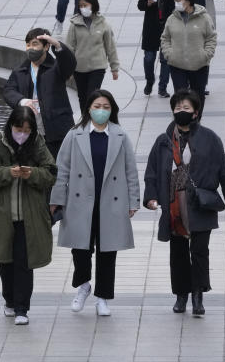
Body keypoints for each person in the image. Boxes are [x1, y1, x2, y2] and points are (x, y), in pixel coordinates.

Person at [143, 89, 225, 316]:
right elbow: (152, 172)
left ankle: (198, 295)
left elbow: (223, 170)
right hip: (174, 204)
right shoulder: (163, 141)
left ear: (196, 113)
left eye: (186, 108)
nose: (181, 112)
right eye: (177, 108)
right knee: (177, 252)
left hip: (199, 204)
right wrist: (150, 197)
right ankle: (181, 295)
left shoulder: (210, 139)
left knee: (199, 251)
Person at [50, 90, 139, 318]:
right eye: (97, 106)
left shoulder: (120, 135)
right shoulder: (75, 134)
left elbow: (130, 170)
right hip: (80, 202)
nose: (101, 111)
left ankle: (103, 297)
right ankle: (83, 284)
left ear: (113, 110)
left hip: (111, 201)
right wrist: (57, 199)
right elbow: (62, 169)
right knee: (80, 249)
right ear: (88, 108)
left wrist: (134, 200)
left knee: (108, 252)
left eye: (106, 107)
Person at [0, 106, 57, 326]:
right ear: (10, 126)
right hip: (3, 215)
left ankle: (23, 307)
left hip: (29, 216)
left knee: (25, 262)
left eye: (26, 129)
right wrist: (6, 173)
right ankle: (9, 301)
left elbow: (51, 172)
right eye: (18, 128)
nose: (22, 133)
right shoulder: (0, 143)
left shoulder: (38, 144)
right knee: (5, 261)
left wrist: (32, 174)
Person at [3, 28, 77, 160]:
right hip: (29, 131)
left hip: (56, 131)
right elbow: (8, 91)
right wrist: (22, 101)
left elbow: (70, 63)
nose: (30, 48)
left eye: (35, 44)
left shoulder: (56, 68)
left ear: (46, 46)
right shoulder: (20, 70)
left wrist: (58, 45)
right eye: (28, 44)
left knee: (56, 171)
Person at [160, 0, 217, 99]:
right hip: (177, 65)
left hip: (199, 66)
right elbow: (165, 38)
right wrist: (169, 54)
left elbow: (211, 37)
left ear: (188, 0)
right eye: (175, 0)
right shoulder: (172, 18)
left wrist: (206, 55)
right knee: (181, 98)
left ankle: (196, 116)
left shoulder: (204, 18)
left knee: (198, 97)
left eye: (178, 0)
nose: (176, 3)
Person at [64, 0, 120, 105]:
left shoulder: (103, 24)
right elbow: (69, 48)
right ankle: (85, 121)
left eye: (85, 5)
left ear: (93, 5)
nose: (83, 8)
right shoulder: (74, 24)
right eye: (80, 6)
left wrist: (114, 68)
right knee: (82, 97)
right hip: (79, 68)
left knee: (92, 96)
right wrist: (68, 69)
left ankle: (91, 120)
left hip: (97, 67)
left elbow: (110, 47)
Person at [138, 0, 179, 98]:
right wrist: (147, 3)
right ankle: (149, 81)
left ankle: (163, 87)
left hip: (167, 26)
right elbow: (140, 5)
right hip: (151, 26)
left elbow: (178, 4)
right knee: (149, 57)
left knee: (165, 58)